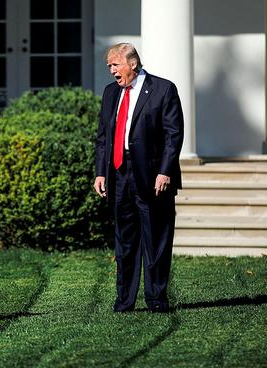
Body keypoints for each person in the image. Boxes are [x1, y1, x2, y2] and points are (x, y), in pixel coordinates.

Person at [94, 43, 184, 313]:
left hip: (153, 175)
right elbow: (102, 138)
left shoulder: (163, 89)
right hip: (119, 175)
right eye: (109, 66)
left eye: (115, 64)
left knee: (155, 238)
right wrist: (100, 172)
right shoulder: (111, 93)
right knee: (125, 241)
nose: (111, 71)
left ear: (132, 63)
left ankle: (156, 299)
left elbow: (173, 134)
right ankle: (124, 301)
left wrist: (165, 170)